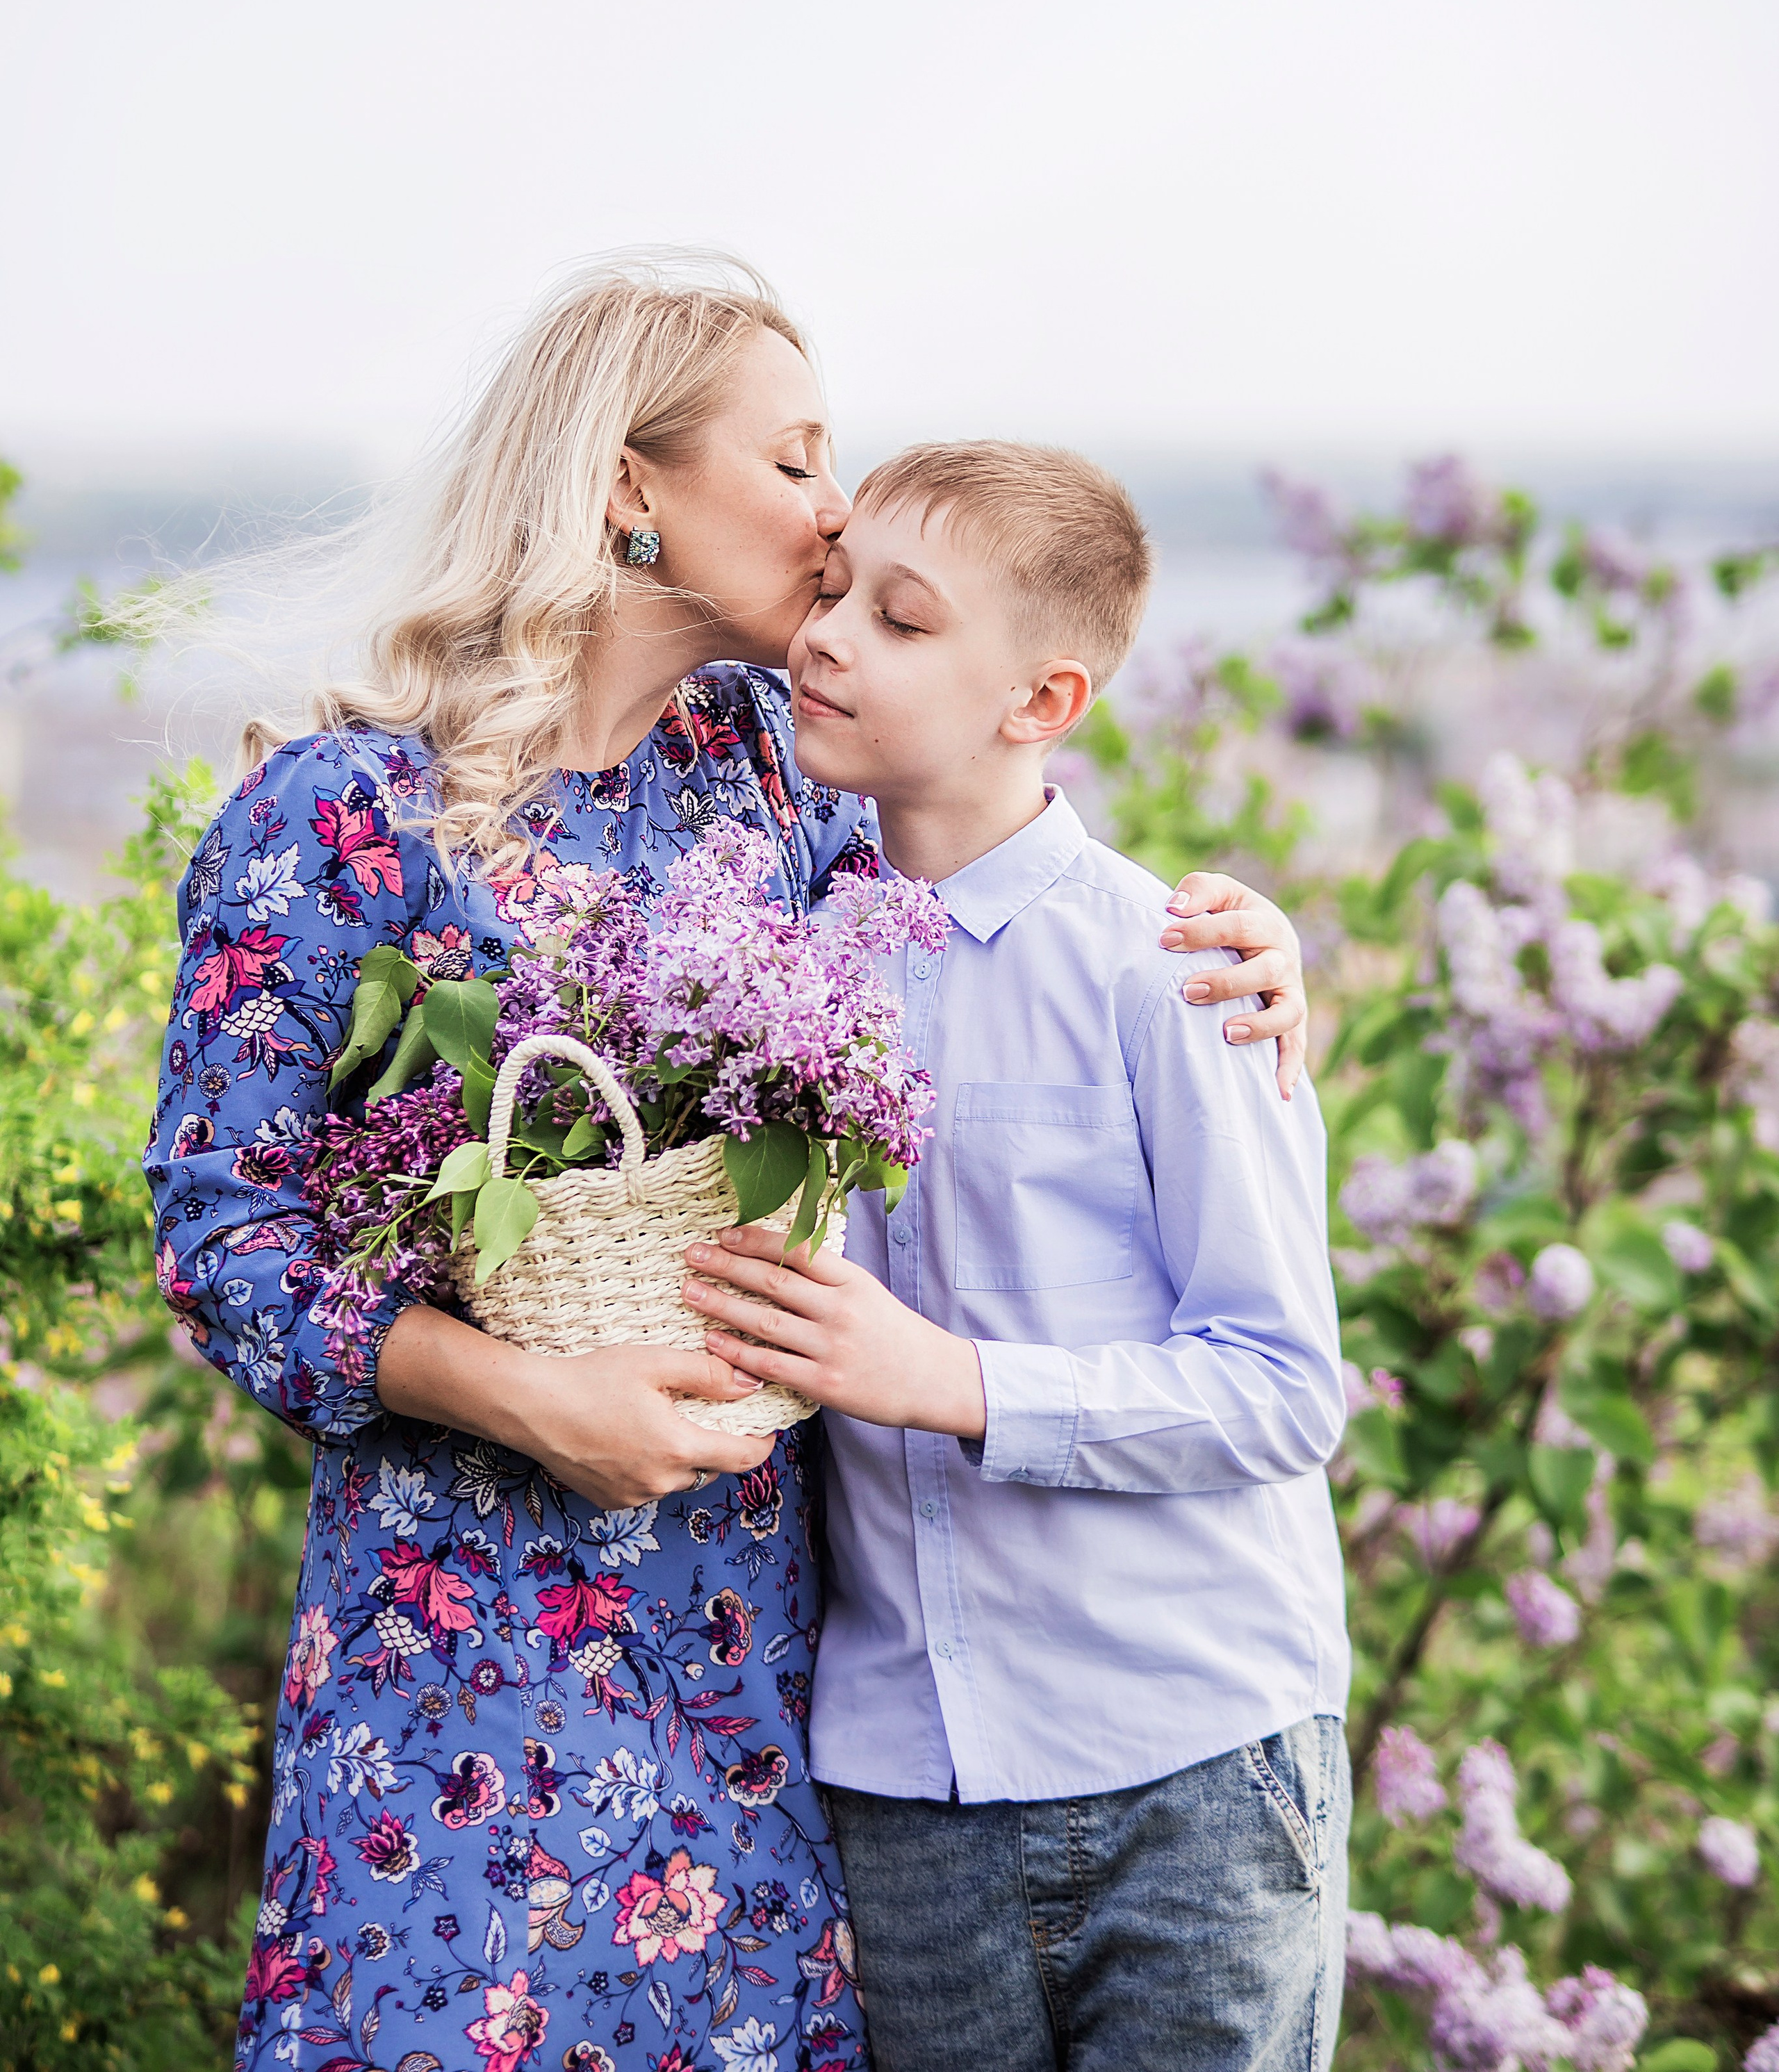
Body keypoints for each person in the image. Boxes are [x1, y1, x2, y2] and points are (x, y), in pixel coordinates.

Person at [145, 259, 1311, 2072]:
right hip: (455, 1653)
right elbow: (222, 1239)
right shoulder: (336, 814)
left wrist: (1237, 951)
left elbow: (1006, 933)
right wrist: (530, 1398)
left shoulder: (785, 778)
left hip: (756, 1674)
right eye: (793, 460)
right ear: (629, 485)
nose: (835, 512)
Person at [684, 439, 1351, 2072]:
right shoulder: (769, 966)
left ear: (1039, 700)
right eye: (833, 593)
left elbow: (1280, 1389)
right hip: (903, 1789)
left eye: (901, 621)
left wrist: (950, 1382)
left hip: (1189, 1766)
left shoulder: (1174, 969)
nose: (828, 637)